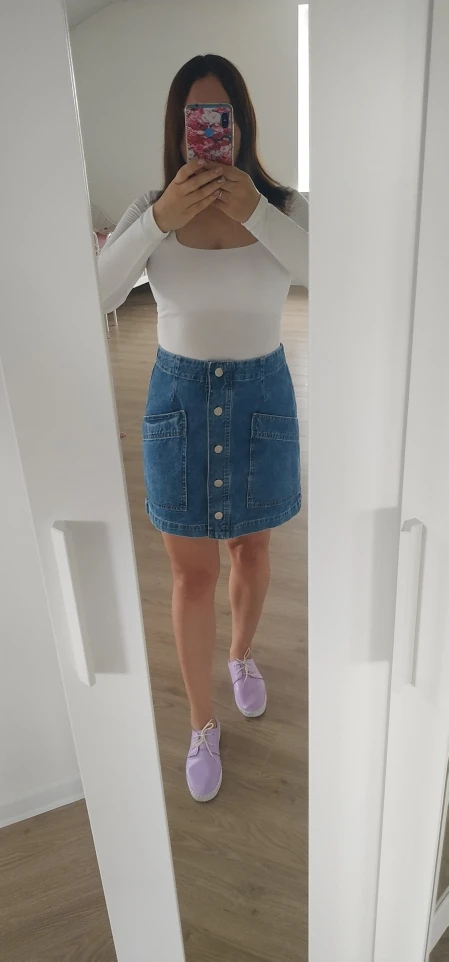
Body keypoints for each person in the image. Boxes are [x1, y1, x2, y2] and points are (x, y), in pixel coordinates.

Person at [97, 54, 308, 802]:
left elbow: (331, 272)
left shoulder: (286, 205)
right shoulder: (152, 210)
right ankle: (200, 721)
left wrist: (255, 212)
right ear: (179, 128)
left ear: (242, 124)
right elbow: (98, 293)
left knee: (252, 549)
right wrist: (160, 220)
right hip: (178, 402)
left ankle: (241, 654)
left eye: (223, 117)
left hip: (261, 399)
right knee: (191, 574)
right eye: (197, 118)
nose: (211, 132)